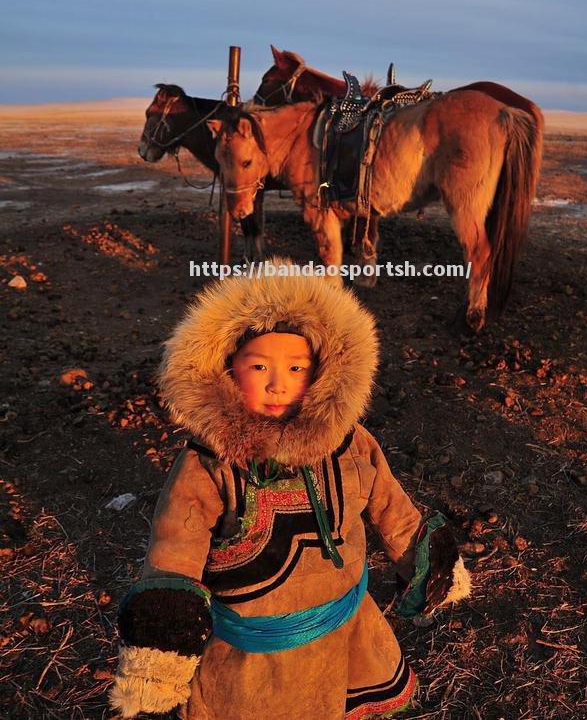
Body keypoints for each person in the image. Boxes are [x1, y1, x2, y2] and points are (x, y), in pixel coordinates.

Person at [110, 261, 471, 719]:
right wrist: (161, 653)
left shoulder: (350, 444)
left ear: (326, 371)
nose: (278, 384)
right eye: (259, 365)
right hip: (252, 655)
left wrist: (429, 566)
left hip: (345, 626)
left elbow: (392, 508)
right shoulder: (209, 464)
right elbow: (173, 550)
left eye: (297, 367)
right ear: (224, 368)